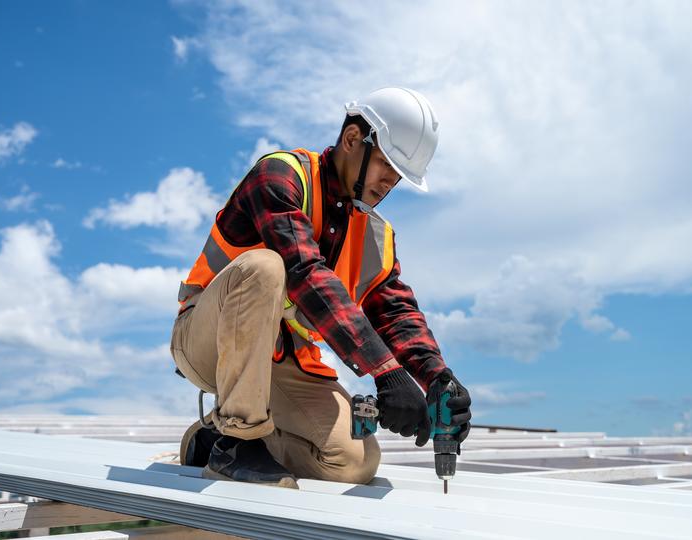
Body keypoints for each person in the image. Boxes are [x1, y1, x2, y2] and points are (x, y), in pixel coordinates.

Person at [170, 87, 471, 488]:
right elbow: (304, 271)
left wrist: (436, 377)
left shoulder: (375, 236)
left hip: (283, 363)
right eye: (386, 165)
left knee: (354, 462)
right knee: (265, 267)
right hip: (207, 340)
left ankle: (212, 437)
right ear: (352, 140)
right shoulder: (280, 177)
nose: (390, 183)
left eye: (400, 176)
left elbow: (395, 312)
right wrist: (385, 371)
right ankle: (237, 442)